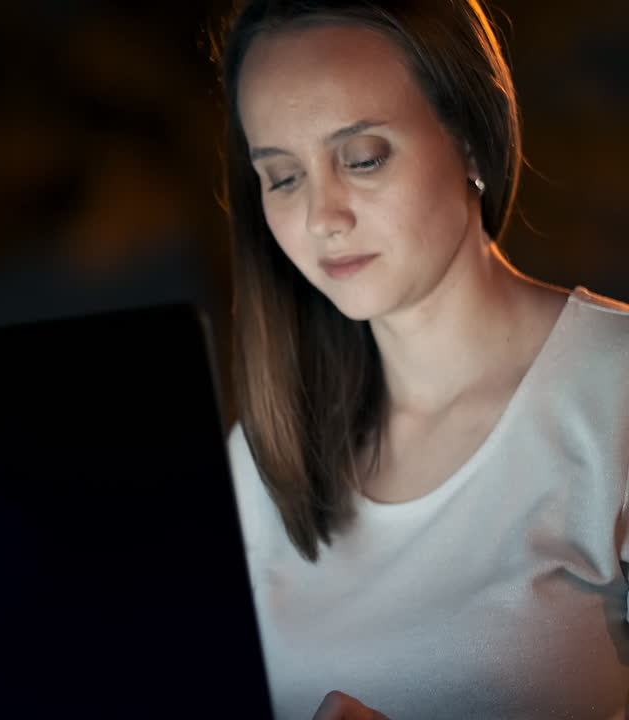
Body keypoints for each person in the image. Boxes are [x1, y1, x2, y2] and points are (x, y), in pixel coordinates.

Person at [211, 0, 629, 717]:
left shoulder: (612, 391)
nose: (322, 216)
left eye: (363, 158)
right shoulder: (260, 464)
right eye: (282, 177)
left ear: (469, 140)